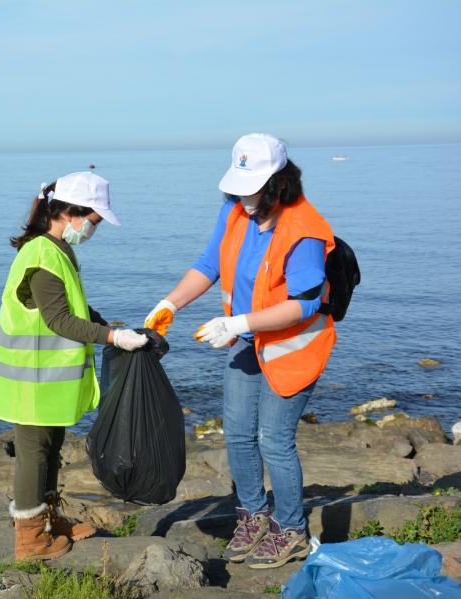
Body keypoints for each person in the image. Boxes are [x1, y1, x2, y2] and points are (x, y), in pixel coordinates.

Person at [145, 133, 336, 569]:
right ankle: (253, 517)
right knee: (237, 433)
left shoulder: (303, 231)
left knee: (274, 440)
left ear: (279, 182)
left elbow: (303, 304)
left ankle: (291, 531)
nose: (245, 198)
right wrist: (171, 301)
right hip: (247, 342)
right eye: (240, 188)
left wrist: (237, 323)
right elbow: (210, 263)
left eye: (253, 190)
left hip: (292, 347)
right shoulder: (234, 211)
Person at [0, 171, 149, 561]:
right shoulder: (41, 255)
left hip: (46, 377)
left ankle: (51, 521)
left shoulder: (58, 249)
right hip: (29, 377)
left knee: (50, 447)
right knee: (33, 452)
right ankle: (30, 538)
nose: (94, 229)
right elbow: (59, 320)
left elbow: (72, 306)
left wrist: (107, 325)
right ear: (71, 213)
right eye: (93, 221)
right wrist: (112, 338)